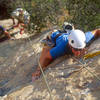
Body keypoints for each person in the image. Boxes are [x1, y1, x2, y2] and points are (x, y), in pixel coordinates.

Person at [32, 25, 100, 81]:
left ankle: (68, 29)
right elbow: (47, 57)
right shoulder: (61, 48)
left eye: (81, 49)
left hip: (69, 35)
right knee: (46, 47)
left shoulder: (84, 39)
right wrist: (39, 70)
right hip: (54, 37)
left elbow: (97, 31)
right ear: (70, 46)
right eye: (76, 49)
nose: (78, 52)